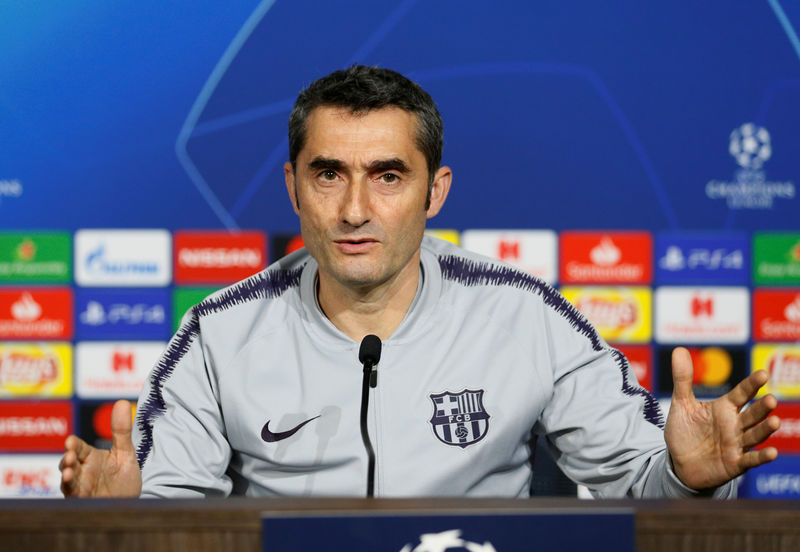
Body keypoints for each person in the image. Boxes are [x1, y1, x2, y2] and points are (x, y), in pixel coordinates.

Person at [59, 65, 780, 499]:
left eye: (388, 177)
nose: (354, 209)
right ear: (293, 188)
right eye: (328, 173)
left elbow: (642, 479)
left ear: (435, 193)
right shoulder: (219, 334)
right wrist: (126, 513)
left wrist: (691, 474)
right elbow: (170, 513)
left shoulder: (523, 317)